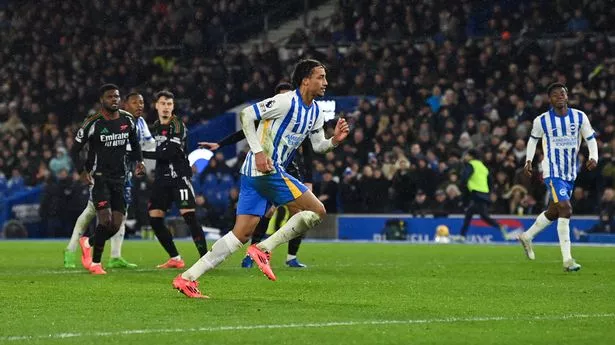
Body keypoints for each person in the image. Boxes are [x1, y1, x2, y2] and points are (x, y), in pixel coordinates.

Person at [173, 59, 350, 298]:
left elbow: (318, 146)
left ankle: (187, 278)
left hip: (254, 174)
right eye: (320, 77)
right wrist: (257, 152)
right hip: (268, 170)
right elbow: (247, 115)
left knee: (240, 235)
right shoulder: (286, 101)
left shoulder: (317, 113)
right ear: (305, 80)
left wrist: (335, 142)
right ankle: (264, 248)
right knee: (317, 211)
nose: (325, 82)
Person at [198, 82, 312, 268]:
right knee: (266, 213)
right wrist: (220, 144)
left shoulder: (300, 119)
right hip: (268, 168)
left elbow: (307, 152)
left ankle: (291, 257)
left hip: (290, 169)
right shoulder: (270, 116)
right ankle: (254, 253)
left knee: (301, 214)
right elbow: (244, 129)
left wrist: (309, 180)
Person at [63, 92, 154, 268]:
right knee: (92, 211)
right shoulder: (106, 121)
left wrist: (141, 160)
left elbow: (146, 145)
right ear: (125, 105)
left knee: (122, 213)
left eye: (142, 102)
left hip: (123, 174)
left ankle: (115, 256)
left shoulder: (140, 123)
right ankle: (71, 249)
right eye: (135, 102)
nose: (140, 106)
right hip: (101, 173)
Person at [518, 83, 598, 272]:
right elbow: (533, 140)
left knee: (554, 211)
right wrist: (528, 160)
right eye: (555, 95)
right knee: (566, 208)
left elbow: (590, 138)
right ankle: (568, 260)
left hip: (570, 173)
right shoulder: (542, 120)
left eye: (562, 93)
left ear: (567, 96)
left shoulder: (579, 117)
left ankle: (527, 236)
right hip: (552, 172)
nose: (560, 97)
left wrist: (593, 156)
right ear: (550, 99)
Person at [145, 91, 209, 268]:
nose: (166, 107)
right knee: (154, 218)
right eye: (163, 103)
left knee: (189, 217)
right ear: (156, 105)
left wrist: (139, 154)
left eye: (169, 104)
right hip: (161, 179)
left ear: (173, 107)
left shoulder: (177, 125)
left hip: (179, 177)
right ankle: (175, 258)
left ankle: (206, 259)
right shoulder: (156, 126)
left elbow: (169, 152)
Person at [457, 149, 510, 241]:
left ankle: (500, 226)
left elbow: (464, 178)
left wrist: (463, 190)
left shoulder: (471, 164)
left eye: (466, 155)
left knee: (484, 216)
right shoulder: (483, 167)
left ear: (471, 156)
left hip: (476, 193)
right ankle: (462, 236)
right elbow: (490, 181)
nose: (465, 157)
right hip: (484, 194)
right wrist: (489, 193)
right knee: (469, 214)